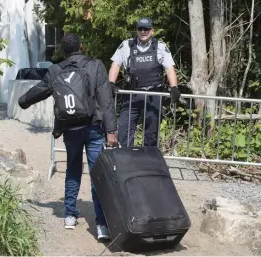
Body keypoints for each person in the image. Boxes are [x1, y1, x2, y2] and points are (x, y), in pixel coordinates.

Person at [18, 33, 117, 240]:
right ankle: (101, 226)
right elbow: (105, 100)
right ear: (81, 46)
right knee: (96, 173)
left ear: (63, 51)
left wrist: (22, 101)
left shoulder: (55, 70)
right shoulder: (95, 65)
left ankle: (70, 216)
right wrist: (111, 131)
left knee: (72, 169)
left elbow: (40, 90)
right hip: (93, 128)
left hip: (70, 129)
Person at [108, 17, 181, 147]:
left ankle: (148, 163)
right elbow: (116, 64)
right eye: (140, 29)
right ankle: (126, 161)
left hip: (153, 95)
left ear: (152, 31)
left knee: (151, 134)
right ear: (137, 30)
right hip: (131, 95)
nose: (143, 32)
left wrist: (174, 87)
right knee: (124, 132)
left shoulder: (160, 47)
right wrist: (111, 83)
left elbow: (169, 68)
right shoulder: (127, 45)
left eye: (146, 29)